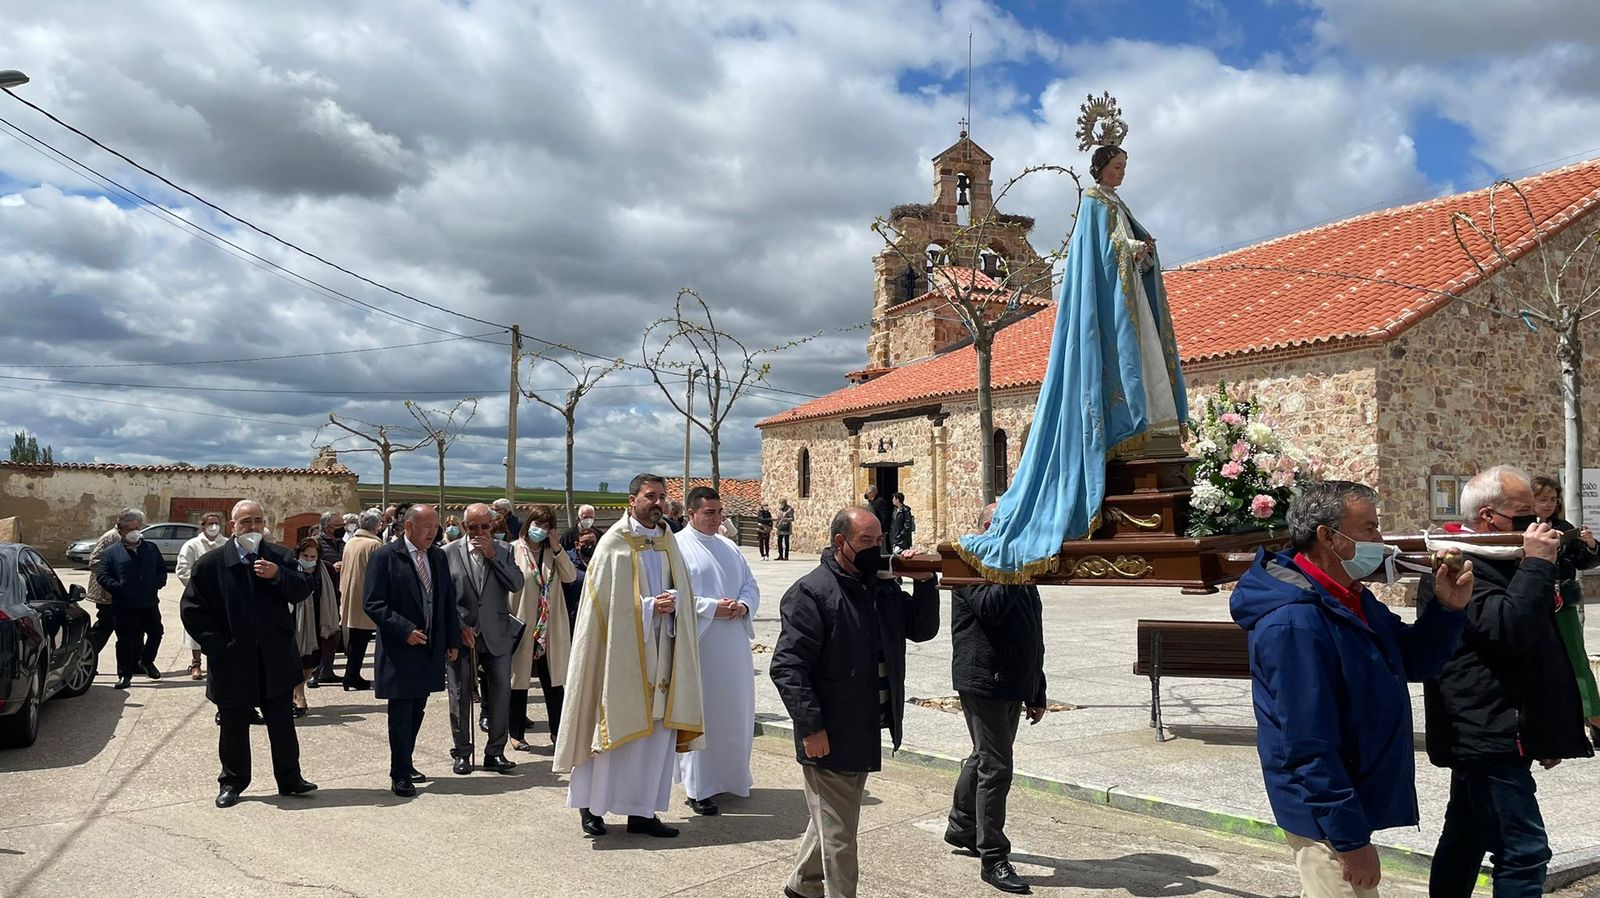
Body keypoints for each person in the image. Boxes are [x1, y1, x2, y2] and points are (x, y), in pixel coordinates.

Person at [958, 98, 1187, 580]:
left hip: (1128, 305)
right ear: (1101, 166)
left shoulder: (1117, 204)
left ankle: (1149, 429)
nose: (1122, 172)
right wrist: (1129, 249)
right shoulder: (1092, 203)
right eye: (1117, 165)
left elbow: (1119, 252)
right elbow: (1099, 256)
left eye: (1126, 165)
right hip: (1109, 309)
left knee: (1145, 363)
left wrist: (1141, 252)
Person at [1232, 481, 1471, 897]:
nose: (1380, 541)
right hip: (1322, 813)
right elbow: (1307, 744)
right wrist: (1350, 840)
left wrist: (1447, 610)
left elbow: (1413, 660)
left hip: (1345, 799)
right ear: (1328, 536)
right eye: (1369, 529)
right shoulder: (1295, 621)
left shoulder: (1348, 598)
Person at [1425, 466, 1595, 895]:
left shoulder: (1500, 559)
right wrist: (1537, 564)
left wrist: (1548, 733)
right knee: (1524, 850)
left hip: (1503, 727)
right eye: (1524, 513)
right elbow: (1508, 630)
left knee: (1466, 838)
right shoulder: (1459, 564)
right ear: (1488, 517)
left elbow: (1540, 647)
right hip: (1485, 731)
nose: (1537, 522)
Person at [770, 506, 940, 898]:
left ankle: (802, 884)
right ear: (841, 542)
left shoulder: (878, 586)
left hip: (863, 726)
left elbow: (921, 629)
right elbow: (788, 668)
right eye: (866, 541)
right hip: (830, 732)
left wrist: (925, 582)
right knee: (841, 837)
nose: (875, 548)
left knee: (833, 819)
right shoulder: (811, 593)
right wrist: (811, 727)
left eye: (879, 540)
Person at [555, 473, 705, 838]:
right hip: (619, 659)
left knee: (653, 737)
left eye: (663, 496)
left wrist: (675, 604)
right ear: (632, 500)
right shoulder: (614, 543)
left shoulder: (669, 542)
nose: (658, 502)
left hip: (663, 654)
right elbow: (604, 608)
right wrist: (653, 606)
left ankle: (643, 811)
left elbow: (683, 591)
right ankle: (591, 807)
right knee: (610, 733)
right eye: (650, 496)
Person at [179, 499, 318, 808]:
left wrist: (277, 576)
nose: (252, 527)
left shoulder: (280, 556)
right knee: (233, 726)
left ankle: (290, 778)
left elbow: (302, 590)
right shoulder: (211, 564)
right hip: (233, 661)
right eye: (245, 522)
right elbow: (192, 611)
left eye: (257, 521)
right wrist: (218, 647)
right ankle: (232, 782)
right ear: (233, 527)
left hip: (275, 658)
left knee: (282, 723)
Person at [945, 503, 1049, 894]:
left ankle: (961, 825)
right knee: (996, 766)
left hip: (1012, 680)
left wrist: (1037, 687)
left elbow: (1031, 631)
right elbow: (991, 609)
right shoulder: (969, 565)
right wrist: (1011, 564)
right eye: (1004, 525)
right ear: (989, 528)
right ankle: (993, 857)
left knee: (984, 757)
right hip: (983, 681)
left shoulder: (1020, 569)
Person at [363, 504, 462, 797]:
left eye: (435, 526)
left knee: (417, 708)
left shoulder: (438, 556)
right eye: (426, 526)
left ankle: (406, 760)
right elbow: (373, 603)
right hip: (400, 649)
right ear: (408, 526)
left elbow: (446, 601)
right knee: (401, 711)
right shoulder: (385, 556)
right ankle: (400, 772)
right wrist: (404, 630)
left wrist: (451, 640)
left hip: (429, 648)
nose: (433, 532)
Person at [675, 487, 761, 816]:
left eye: (719, 512)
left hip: (734, 646)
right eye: (709, 513)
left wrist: (743, 604)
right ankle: (699, 787)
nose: (717, 518)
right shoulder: (678, 548)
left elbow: (750, 585)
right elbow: (672, 593)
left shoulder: (729, 546)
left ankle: (734, 777)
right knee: (705, 714)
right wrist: (712, 608)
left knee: (735, 713)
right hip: (702, 644)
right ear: (691, 513)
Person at [442, 503, 525, 775]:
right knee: (460, 693)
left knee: (501, 693)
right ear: (464, 527)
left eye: (485, 527)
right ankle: (463, 752)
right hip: (462, 633)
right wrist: (457, 627)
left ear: (493, 526)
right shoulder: (447, 553)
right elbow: (442, 598)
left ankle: (495, 752)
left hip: (497, 632)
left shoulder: (505, 551)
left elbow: (516, 584)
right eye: (472, 527)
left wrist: (492, 556)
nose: (478, 532)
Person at [1530, 474, 1600, 733]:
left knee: (1576, 659)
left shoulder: (1564, 525)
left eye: (1552, 499)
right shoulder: (1519, 528)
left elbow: (1585, 561)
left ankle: (1594, 717)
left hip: (1563, 603)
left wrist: (1590, 544)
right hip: (1531, 602)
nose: (1548, 504)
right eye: (1542, 499)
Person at [508, 504, 575, 751]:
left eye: (547, 526)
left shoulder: (553, 554)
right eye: (538, 524)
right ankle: (516, 733)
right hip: (523, 623)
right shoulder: (513, 550)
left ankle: (558, 733)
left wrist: (557, 547)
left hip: (549, 626)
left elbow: (569, 577)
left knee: (554, 681)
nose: (541, 530)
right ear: (529, 524)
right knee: (519, 680)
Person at [96, 508, 167, 689]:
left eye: (137, 527)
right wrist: (119, 589)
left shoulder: (151, 548)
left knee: (156, 632)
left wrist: (156, 583)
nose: (134, 532)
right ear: (121, 531)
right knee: (126, 639)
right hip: (124, 605)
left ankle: (147, 661)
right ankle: (124, 674)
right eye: (129, 529)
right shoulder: (112, 552)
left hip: (149, 602)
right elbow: (102, 575)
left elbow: (161, 570)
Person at [291, 538, 341, 718]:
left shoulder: (326, 569)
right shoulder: (290, 567)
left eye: (313, 556)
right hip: (297, 619)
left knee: (313, 659)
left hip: (322, 619)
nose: (309, 559)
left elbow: (335, 592)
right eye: (306, 555)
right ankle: (299, 694)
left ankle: (298, 690)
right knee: (298, 657)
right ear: (298, 554)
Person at [175, 512, 227, 680]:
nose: (214, 526)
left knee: (221, 629)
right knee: (196, 629)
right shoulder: (192, 545)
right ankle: (196, 663)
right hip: (199, 595)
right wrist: (197, 587)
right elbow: (183, 569)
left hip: (221, 596)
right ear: (202, 526)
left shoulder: (226, 544)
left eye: (217, 523)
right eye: (210, 523)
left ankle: (218, 662)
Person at [339, 509, 384, 691]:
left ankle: (351, 674)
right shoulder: (375, 545)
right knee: (361, 639)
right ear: (376, 526)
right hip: (365, 597)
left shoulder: (351, 542)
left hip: (351, 594)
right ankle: (352, 676)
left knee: (355, 639)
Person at [309, 512, 346, 686]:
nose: (341, 529)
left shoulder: (342, 543)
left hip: (337, 592)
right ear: (326, 527)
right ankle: (313, 671)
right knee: (319, 631)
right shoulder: (315, 543)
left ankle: (327, 669)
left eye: (342, 525)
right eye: (337, 526)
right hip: (319, 593)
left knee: (333, 631)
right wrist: (331, 567)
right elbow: (308, 562)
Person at [84, 523, 122, 655]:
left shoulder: (130, 538)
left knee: (129, 628)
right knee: (106, 625)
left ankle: (133, 663)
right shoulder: (110, 537)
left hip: (123, 593)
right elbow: (94, 562)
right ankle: (86, 656)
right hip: (106, 593)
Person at [562, 525, 597, 624]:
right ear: (577, 544)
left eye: (592, 543)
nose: (590, 546)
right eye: (585, 543)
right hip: (573, 616)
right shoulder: (568, 562)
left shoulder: (601, 560)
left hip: (594, 614)